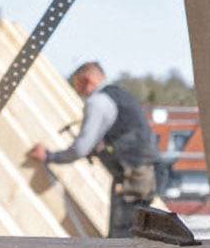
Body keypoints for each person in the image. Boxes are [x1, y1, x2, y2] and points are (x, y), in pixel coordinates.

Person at [29, 61, 165, 238]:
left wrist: (49, 156)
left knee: (121, 238)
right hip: (147, 173)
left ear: (87, 80)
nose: (78, 93)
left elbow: (80, 149)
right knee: (133, 235)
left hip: (135, 178)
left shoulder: (98, 102)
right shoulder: (118, 95)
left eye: (77, 86)